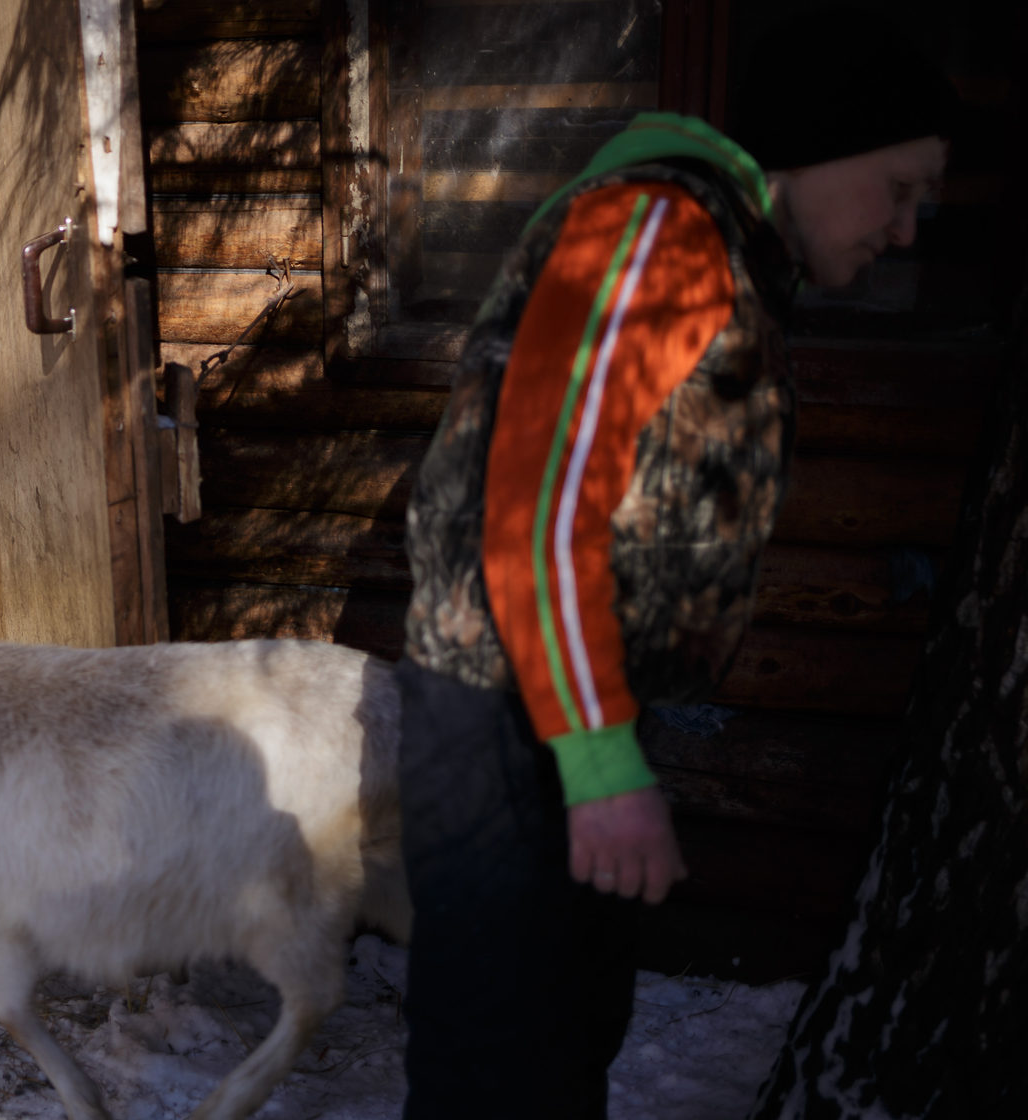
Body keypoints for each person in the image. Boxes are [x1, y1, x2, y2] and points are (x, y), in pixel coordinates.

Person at [396, 12, 959, 1118]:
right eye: (898, 187)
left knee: (559, 1036)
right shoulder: (660, 231)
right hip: (511, 712)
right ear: (818, 143)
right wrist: (598, 763)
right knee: (502, 1059)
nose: (905, 229)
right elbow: (543, 505)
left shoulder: (717, 243)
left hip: (554, 702)